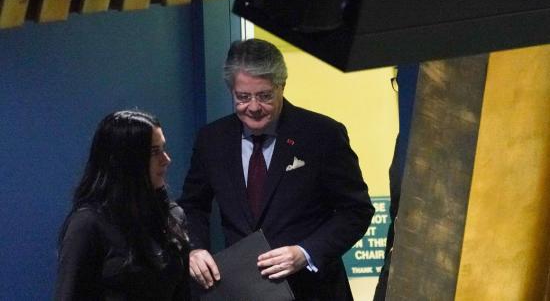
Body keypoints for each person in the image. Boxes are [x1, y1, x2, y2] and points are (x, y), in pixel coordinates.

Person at [179, 39, 375, 300]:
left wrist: (305, 253)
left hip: (313, 290)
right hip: (242, 291)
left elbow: (357, 210)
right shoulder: (212, 140)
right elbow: (192, 205)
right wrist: (195, 249)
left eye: (264, 96)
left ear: (282, 86)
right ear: (231, 91)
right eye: (243, 97)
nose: (254, 107)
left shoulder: (322, 134)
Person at [55, 110, 191, 300]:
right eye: (154, 151)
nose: (166, 160)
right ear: (127, 160)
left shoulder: (173, 216)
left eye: (163, 149)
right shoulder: (88, 224)